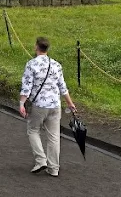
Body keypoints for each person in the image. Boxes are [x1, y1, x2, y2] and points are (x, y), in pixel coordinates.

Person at [18, 36, 76, 177]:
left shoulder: (31, 64)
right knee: (54, 137)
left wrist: (21, 103)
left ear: (36, 47)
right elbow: (63, 87)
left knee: (33, 130)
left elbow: (27, 87)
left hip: (39, 105)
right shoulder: (56, 65)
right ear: (47, 48)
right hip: (55, 105)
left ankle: (41, 160)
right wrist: (70, 103)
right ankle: (54, 168)